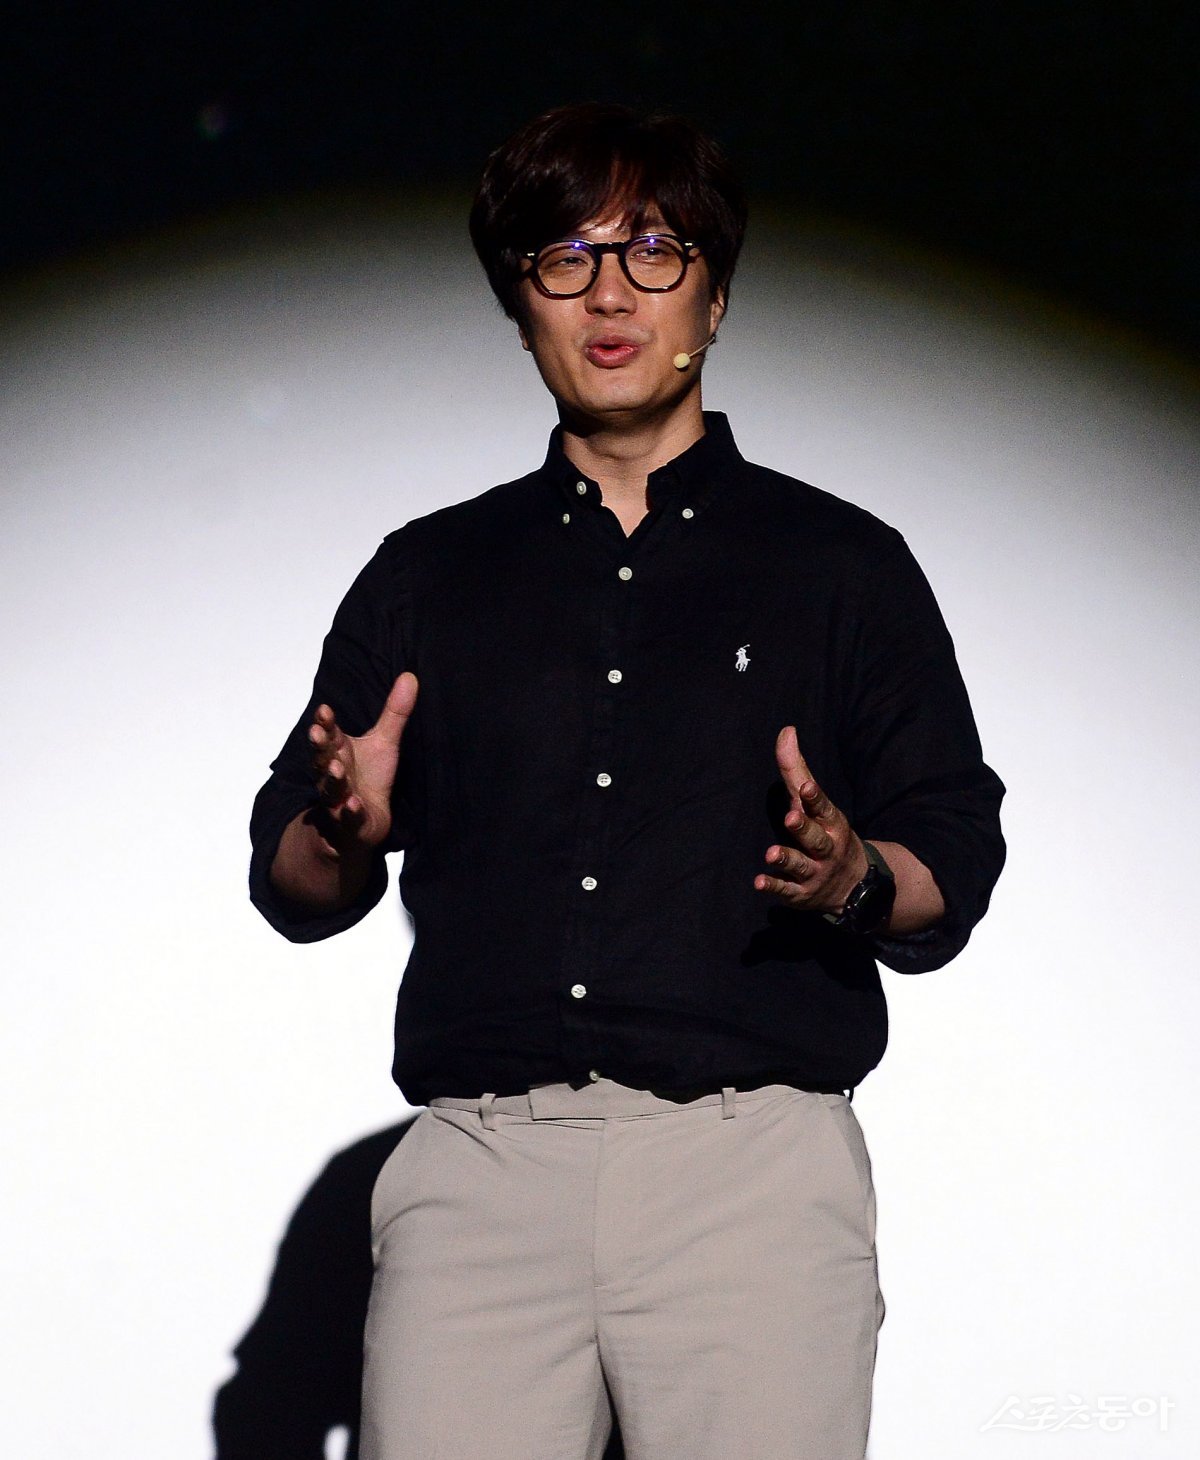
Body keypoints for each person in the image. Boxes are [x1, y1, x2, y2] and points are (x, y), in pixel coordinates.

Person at [249, 103, 1005, 1460]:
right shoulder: (430, 573)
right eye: (565, 257)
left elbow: (951, 857)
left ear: (714, 295)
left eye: (655, 252)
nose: (610, 294)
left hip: (750, 1177)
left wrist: (853, 878)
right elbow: (292, 880)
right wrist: (343, 827)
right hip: (483, 1174)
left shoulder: (841, 567)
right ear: (519, 305)